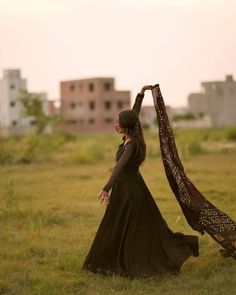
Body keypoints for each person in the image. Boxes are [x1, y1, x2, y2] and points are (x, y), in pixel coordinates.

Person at [82, 85, 199, 278]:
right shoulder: (131, 136)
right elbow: (133, 116)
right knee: (120, 226)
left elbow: (118, 168)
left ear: (125, 126)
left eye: (118, 122)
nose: (115, 124)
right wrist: (140, 95)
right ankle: (111, 261)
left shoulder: (131, 146)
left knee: (127, 227)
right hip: (130, 188)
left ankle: (128, 262)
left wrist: (106, 189)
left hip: (130, 191)